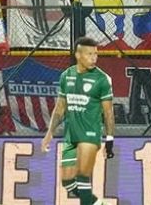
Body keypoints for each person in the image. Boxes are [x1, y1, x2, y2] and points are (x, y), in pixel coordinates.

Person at [41, 37, 116, 205]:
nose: (94, 58)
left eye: (95, 54)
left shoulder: (102, 79)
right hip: (71, 135)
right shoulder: (66, 76)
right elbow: (60, 108)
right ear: (78, 55)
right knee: (67, 183)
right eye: (89, 54)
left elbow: (108, 112)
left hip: (90, 134)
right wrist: (49, 133)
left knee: (83, 178)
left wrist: (109, 140)